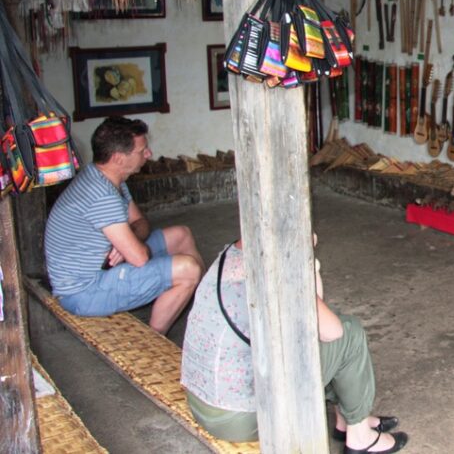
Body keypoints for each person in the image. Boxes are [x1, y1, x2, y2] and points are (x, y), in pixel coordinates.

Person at [180, 237, 408, 452]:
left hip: (202, 403)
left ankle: (346, 418)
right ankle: (360, 437)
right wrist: (308, 264)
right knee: (350, 334)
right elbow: (332, 332)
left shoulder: (230, 255)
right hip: (242, 417)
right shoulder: (278, 273)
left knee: (329, 321)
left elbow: (311, 322)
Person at [43, 116, 203, 335]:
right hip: (85, 292)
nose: (149, 154)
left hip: (103, 266)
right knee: (188, 269)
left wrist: (126, 241)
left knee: (181, 234)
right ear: (118, 158)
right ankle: (155, 339)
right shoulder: (101, 195)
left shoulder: (108, 178)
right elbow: (139, 257)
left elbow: (140, 222)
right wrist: (130, 246)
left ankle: (204, 305)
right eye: (142, 150)